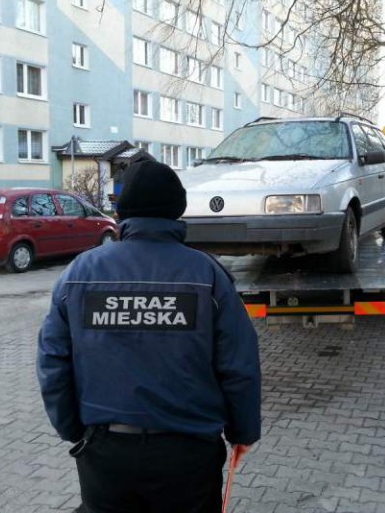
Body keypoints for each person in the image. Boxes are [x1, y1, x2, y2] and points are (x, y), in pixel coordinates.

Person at [37, 160, 262, 513]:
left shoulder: (80, 273)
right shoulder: (207, 275)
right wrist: (243, 432)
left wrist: (73, 430)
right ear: (177, 209)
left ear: (121, 210)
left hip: (105, 452)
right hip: (188, 455)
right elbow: (239, 365)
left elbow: (52, 362)